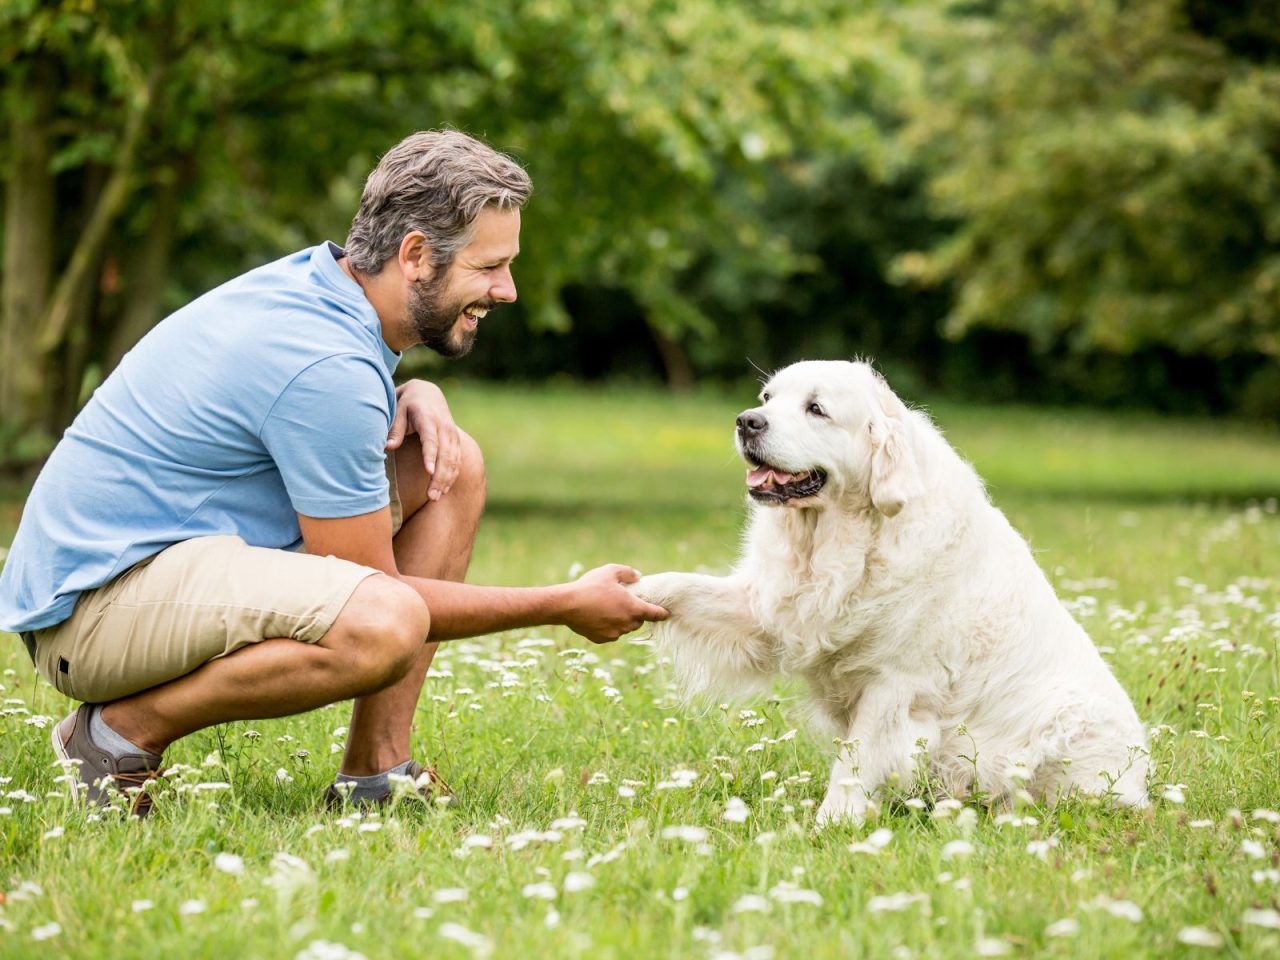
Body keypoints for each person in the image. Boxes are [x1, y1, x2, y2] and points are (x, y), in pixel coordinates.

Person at [0, 130, 668, 816]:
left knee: (451, 464)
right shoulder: (324, 365)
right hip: (89, 613)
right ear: (414, 255)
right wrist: (561, 603)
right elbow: (375, 590)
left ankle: (376, 772)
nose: (508, 290)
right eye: (490, 266)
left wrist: (413, 392)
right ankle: (114, 738)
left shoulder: (326, 288)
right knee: (384, 622)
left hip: (149, 566)